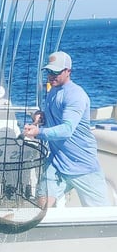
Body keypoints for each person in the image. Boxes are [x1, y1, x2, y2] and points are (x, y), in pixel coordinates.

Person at [24, 51, 109, 207]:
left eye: (56, 72)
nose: (51, 75)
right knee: (41, 207)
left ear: (68, 71)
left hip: (83, 166)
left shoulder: (75, 95)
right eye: (49, 71)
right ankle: (41, 229)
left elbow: (67, 129)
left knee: (103, 218)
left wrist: (38, 133)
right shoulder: (53, 91)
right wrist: (39, 116)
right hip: (57, 163)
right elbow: (53, 117)